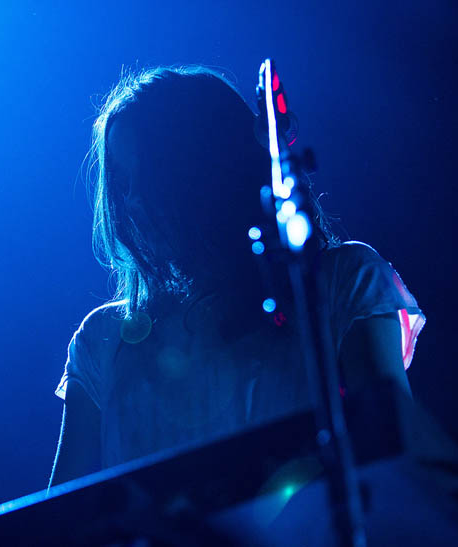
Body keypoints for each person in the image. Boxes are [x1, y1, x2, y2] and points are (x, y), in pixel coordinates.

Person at [48, 66, 425, 488]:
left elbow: (403, 466)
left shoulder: (340, 282)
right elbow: (62, 522)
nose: (132, 201)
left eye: (149, 177)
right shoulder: (102, 340)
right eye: (123, 182)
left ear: (204, 171)